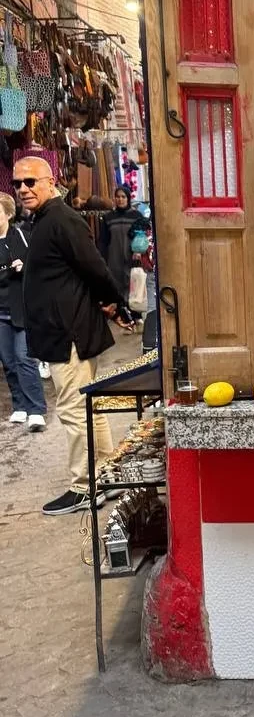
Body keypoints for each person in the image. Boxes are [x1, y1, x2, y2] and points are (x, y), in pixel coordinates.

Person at [15, 157, 127, 516]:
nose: (23, 189)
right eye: (17, 183)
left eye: (30, 181)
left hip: (70, 332)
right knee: (87, 407)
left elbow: (94, 267)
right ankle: (106, 476)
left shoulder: (62, 219)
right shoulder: (44, 220)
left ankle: (85, 486)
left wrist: (116, 303)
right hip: (63, 330)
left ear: (50, 182)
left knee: (74, 409)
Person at [0, 192, 47, 431]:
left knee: (24, 358)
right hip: (0, 312)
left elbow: (35, 265)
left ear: (8, 214)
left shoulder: (20, 236)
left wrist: (20, 266)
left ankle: (36, 409)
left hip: (21, 309)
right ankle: (20, 405)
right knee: (8, 361)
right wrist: (9, 269)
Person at [98, 185, 138, 315]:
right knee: (116, 283)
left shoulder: (136, 216)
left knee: (132, 283)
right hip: (113, 258)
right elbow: (103, 240)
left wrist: (139, 251)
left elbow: (142, 236)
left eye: (123, 197)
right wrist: (102, 257)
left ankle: (134, 312)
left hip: (132, 256)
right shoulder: (108, 217)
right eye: (117, 197)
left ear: (128, 198)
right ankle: (120, 313)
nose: (120, 199)